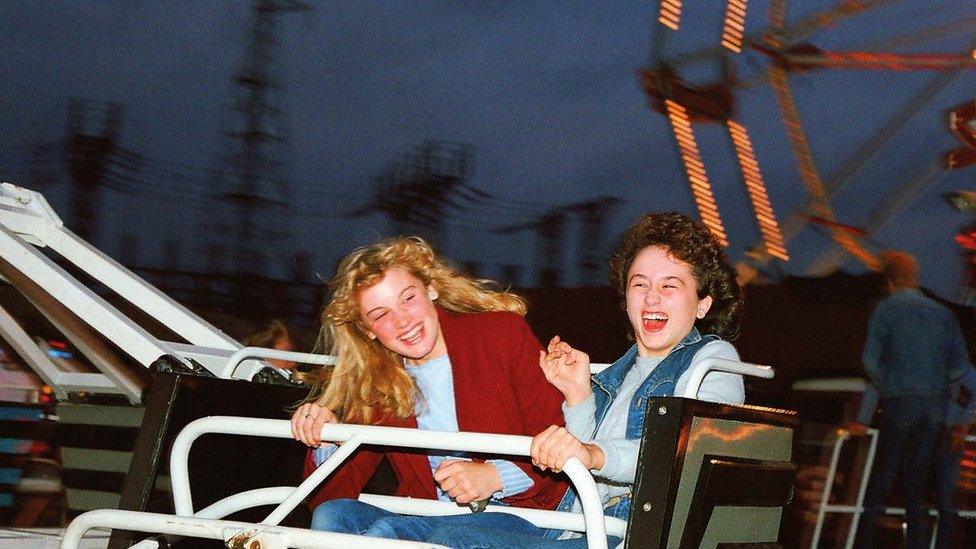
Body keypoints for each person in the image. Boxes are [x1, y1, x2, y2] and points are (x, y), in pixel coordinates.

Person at [427, 211, 746, 548]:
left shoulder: (712, 362)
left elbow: (683, 454)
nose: (651, 297)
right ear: (626, 301)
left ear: (702, 304)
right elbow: (581, 470)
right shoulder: (614, 376)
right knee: (430, 532)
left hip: (629, 533)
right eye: (639, 284)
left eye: (670, 286)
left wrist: (593, 453)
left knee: (462, 541)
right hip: (573, 526)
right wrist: (578, 395)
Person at [290, 236, 567, 542]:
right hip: (428, 515)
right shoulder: (381, 379)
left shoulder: (500, 334)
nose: (402, 321)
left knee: (390, 532)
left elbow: (559, 437)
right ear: (368, 330)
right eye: (381, 315)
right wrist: (326, 436)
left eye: (408, 298)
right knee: (333, 516)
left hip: (518, 513)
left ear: (430, 289)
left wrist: (494, 476)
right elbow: (329, 496)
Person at [853, 251, 972, 549]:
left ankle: (863, 542)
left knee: (883, 480)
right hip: (935, 408)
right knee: (916, 488)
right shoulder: (942, 314)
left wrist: (893, 384)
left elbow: (870, 362)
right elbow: (959, 366)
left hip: (901, 404)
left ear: (890, 281)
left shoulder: (886, 310)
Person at [849, 369, 974, 548]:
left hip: (944, 439)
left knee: (945, 501)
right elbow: (877, 383)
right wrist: (862, 420)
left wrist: (963, 424)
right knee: (896, 493)